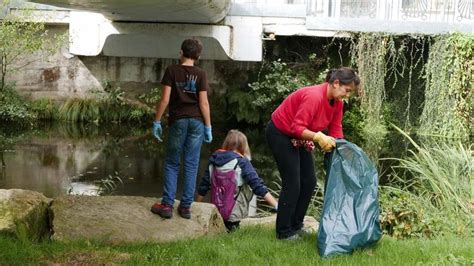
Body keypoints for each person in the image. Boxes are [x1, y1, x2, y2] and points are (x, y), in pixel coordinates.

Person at [265, 67, 360, 240]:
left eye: (350, 93)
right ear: (336, 83)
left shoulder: (337, 103)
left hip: (299, 136)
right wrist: (318, 136)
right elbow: (296, 127)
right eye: (347, 91)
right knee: (292, 182)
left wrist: (340, 148)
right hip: (280, 133)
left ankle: (296, 225)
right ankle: (284, 232)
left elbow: (336, 130)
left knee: (309, 181)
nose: (347, 95)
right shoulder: (314, 96)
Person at [150, 38, 212, 219]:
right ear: (198, 56)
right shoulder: (201, 74)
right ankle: (185, 207)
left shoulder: (172, 70)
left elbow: (165, 100)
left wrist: (157, 121)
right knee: (192, 164)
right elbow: (204, 103)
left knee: (172, 162)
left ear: (181, 52)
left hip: (178, 121)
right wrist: (208, 126)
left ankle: (167, 205)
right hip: (197, 122)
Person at [196, 129, 278, 232]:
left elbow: (204, 185)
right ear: (243, 146)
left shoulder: (214, 160)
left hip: (217, 213)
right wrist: (276, 205)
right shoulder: (242, 162)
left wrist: (196, 207)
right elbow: (258, 186)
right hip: (235, 215)